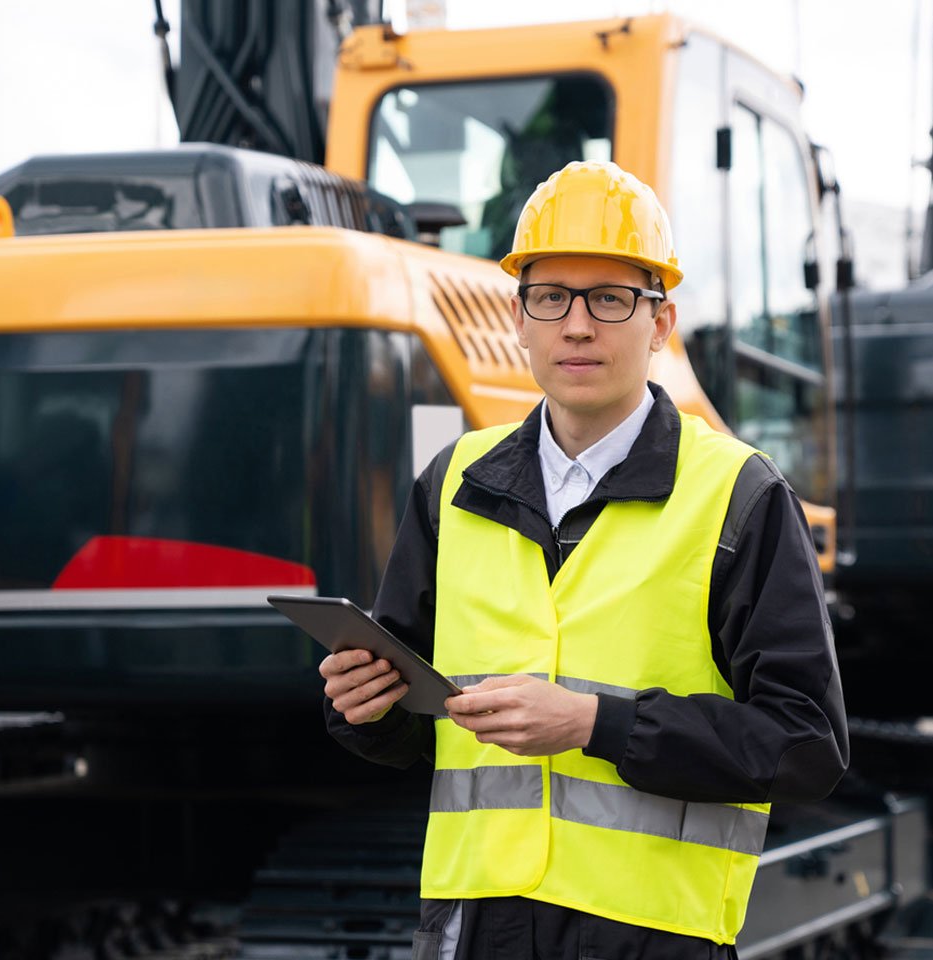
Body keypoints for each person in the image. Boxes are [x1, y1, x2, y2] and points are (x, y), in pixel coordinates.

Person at [318, 160, 847, 960]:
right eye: (551, 296)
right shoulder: (452, 484)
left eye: (610, 299)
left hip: (653, 933)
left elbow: (806, 744)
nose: (576, 325)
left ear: (660, 323)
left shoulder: (737, 494)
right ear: (519, 318)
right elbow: (421, 727)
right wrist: (365, 706)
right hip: (476, 924)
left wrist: (597, 725)